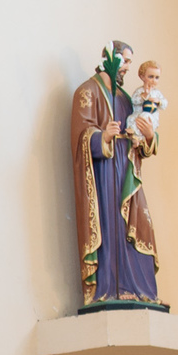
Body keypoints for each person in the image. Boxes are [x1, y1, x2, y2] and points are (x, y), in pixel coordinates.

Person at [71, 39, 164, 308]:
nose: (127, 68)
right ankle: (112, 288)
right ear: (110, 58)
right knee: (112, 228)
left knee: (139, 227)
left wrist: (148, 137)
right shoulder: (86, 92)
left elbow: (139, 132)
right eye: (125, 61)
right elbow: (80, 137)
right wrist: (103, 137)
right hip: (103, 179)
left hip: (127, 173)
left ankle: (138, 289)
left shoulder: (125, 98)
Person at [126, 58, 166, 149]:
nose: (153, 80)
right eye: (150, 77)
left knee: (145, 122)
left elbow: (164, 104)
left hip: (150, 116)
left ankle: (140, 140)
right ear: (142, 77)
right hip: (138, 114)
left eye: (157, 77)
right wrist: (144, 95)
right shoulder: (140, 91)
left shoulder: (157, 93)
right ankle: (135, 138)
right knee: (131, 120)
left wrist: (158, 101)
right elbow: (134, 100)